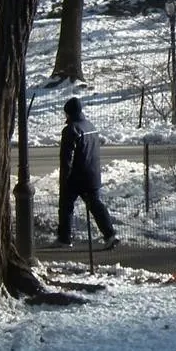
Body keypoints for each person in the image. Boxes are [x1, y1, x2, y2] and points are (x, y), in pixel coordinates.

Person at [55, 97, 118, 249]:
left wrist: (64, 178)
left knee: (66, 206)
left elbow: (66, 158)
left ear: (68, 113)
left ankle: (64, 238)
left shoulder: (71, 130)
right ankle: (110, 234)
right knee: (95, 205)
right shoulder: (90, 126)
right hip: (93, 174)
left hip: (77, 177)